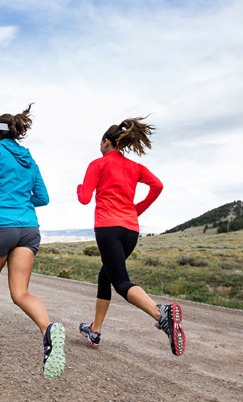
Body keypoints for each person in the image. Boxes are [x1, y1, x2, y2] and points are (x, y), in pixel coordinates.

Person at [0, 104, 66, 380]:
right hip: (29, 229)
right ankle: (48, 329)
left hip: (0, 228)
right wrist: (21, 199)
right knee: (20, 293)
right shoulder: (30, 162)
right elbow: (42, 198)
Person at [76, 116, 186, 356]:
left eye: (101, 142)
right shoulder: (134, 167)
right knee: (105, 276)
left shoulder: (99, 163)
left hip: (108, 228)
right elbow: (157, 186)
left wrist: (78, 188)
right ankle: (95, 330)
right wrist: (136, 209)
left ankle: (160, 313)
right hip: (131, 231)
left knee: (121, 282)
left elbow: (84, 198)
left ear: (106, 142)